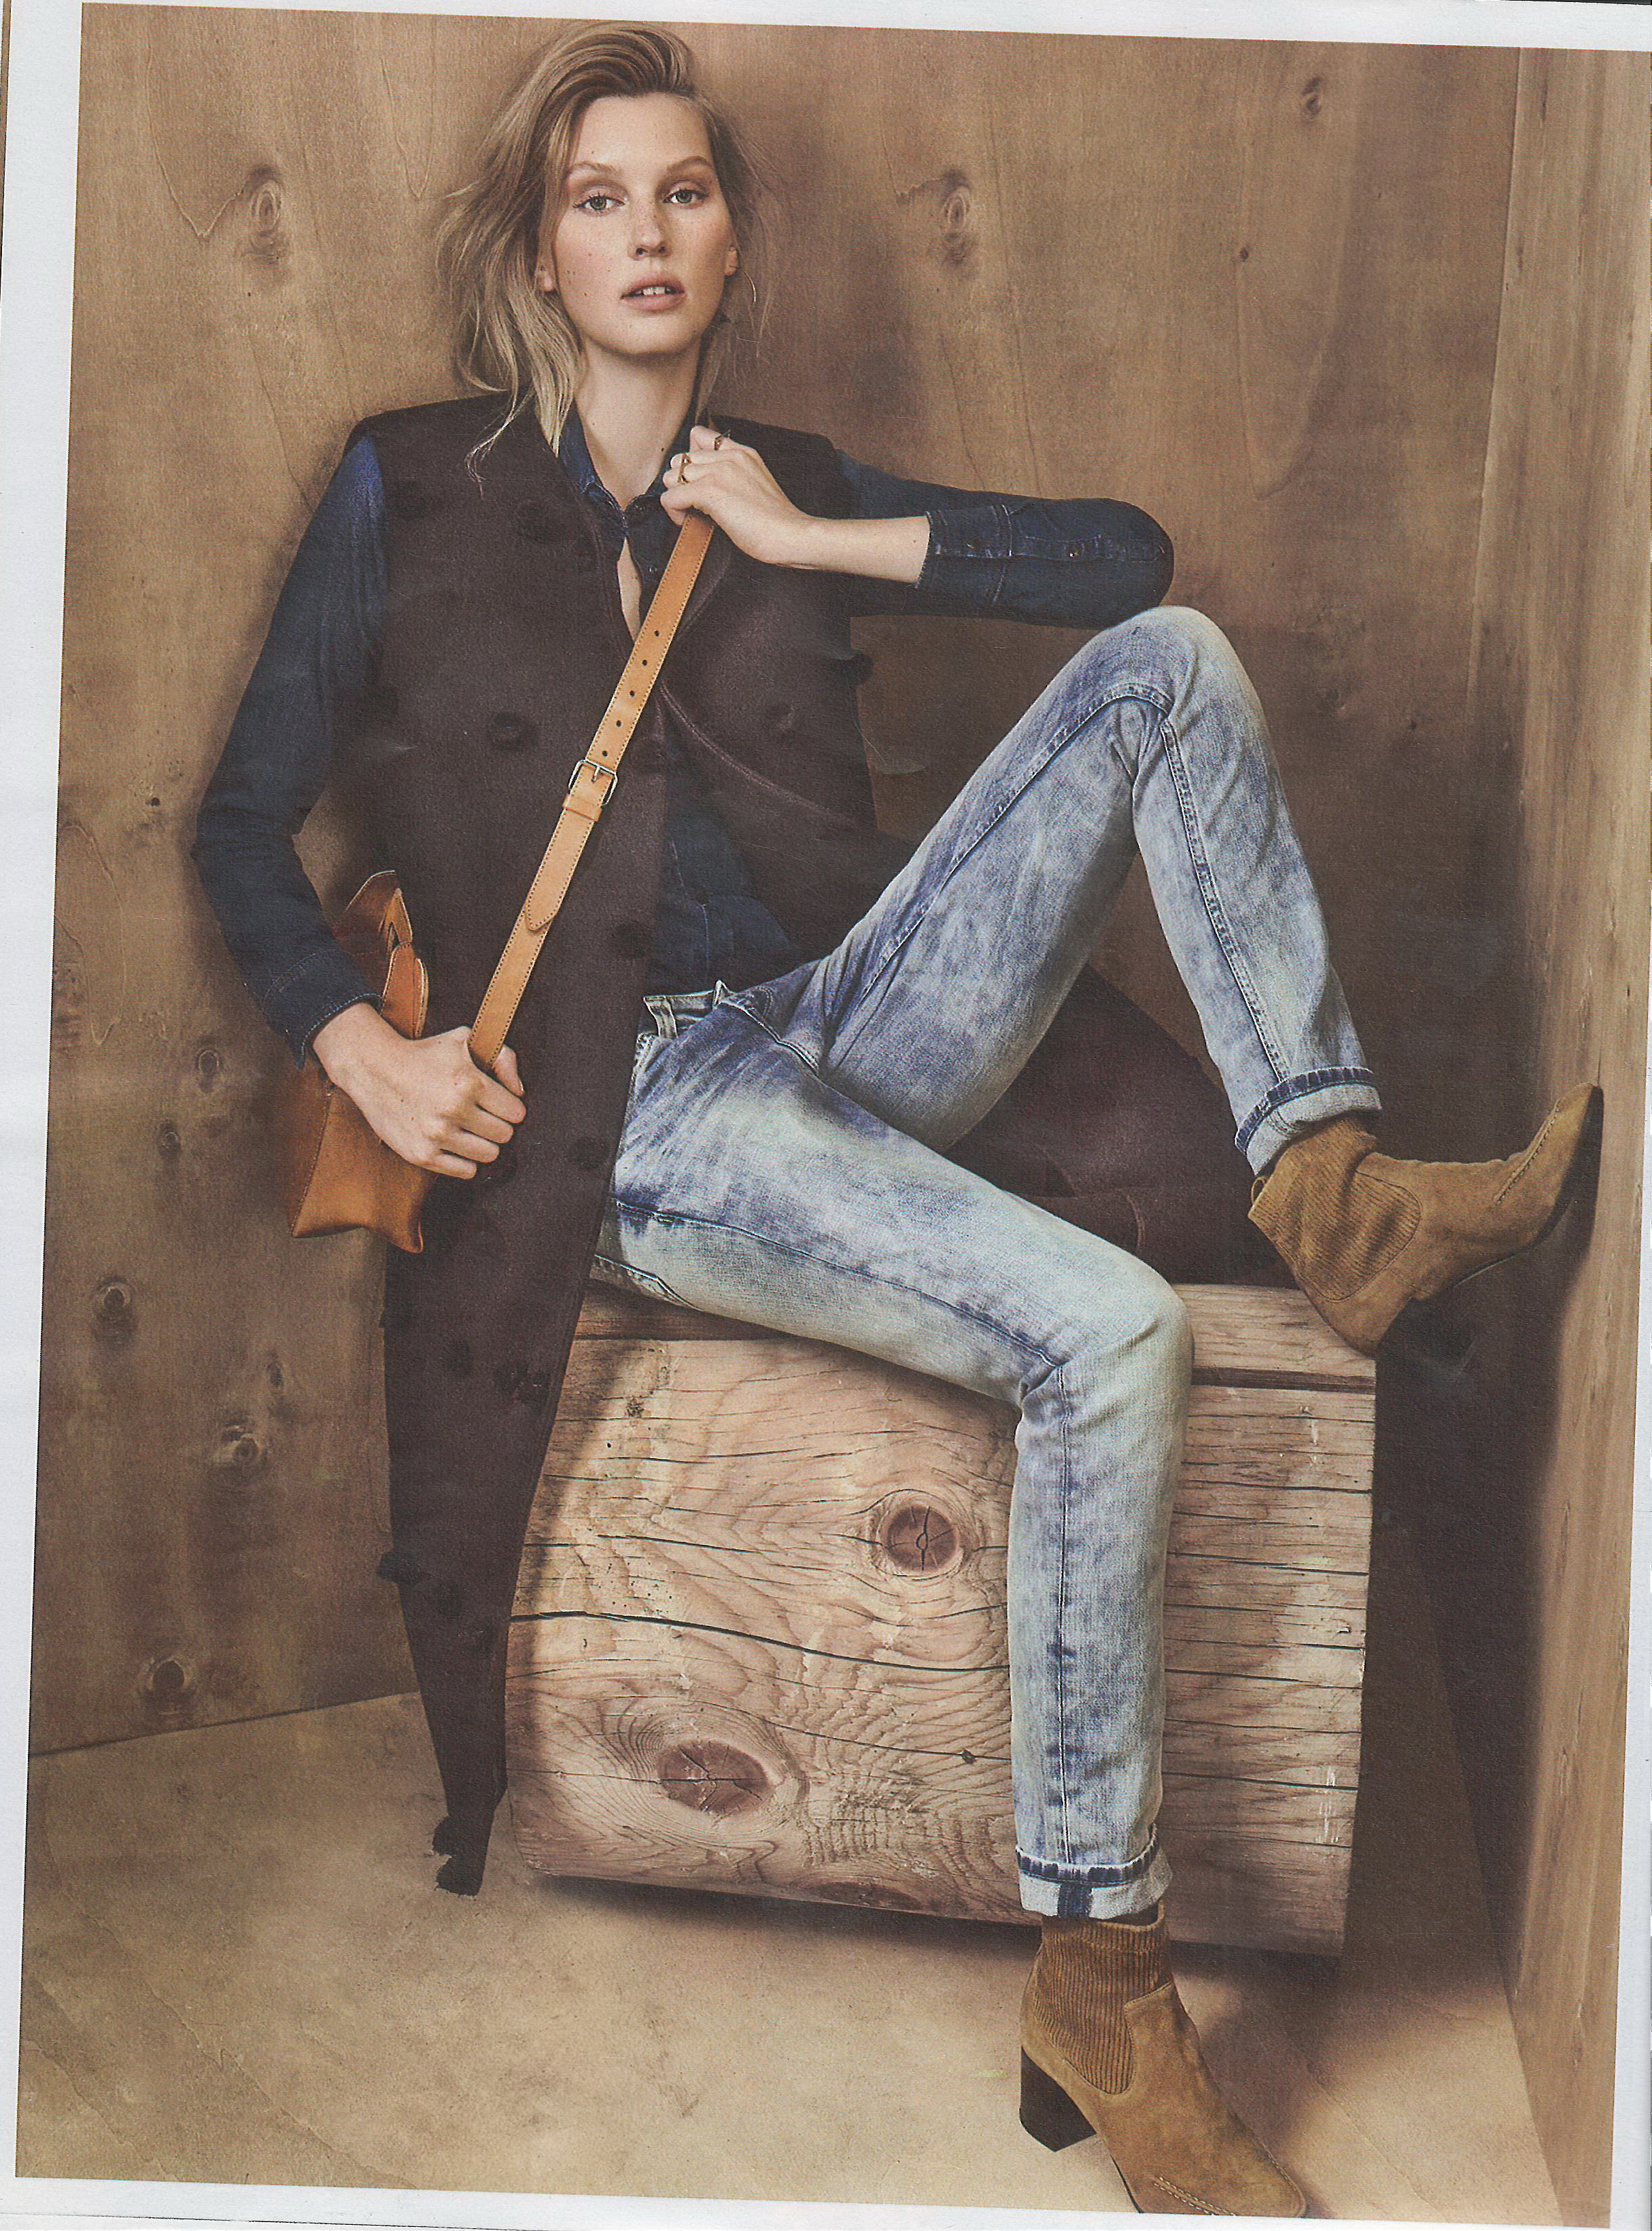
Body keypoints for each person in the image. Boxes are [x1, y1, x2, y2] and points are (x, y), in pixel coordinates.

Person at [192, 22, 1599, 2216]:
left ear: (733, 236)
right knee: (1112, 1333)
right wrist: (360, 1048)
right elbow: (235, 824)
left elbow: (1129, 555)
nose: (645, 234)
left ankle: (1333, 1190)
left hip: (842, 1016)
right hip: (638, 1107)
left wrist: (809, 532)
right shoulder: (413, 486)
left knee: (1174, 664)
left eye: (682, 192)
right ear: (542, 252)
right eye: (597, 199)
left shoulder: (781, 473)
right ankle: (1104, 1982)